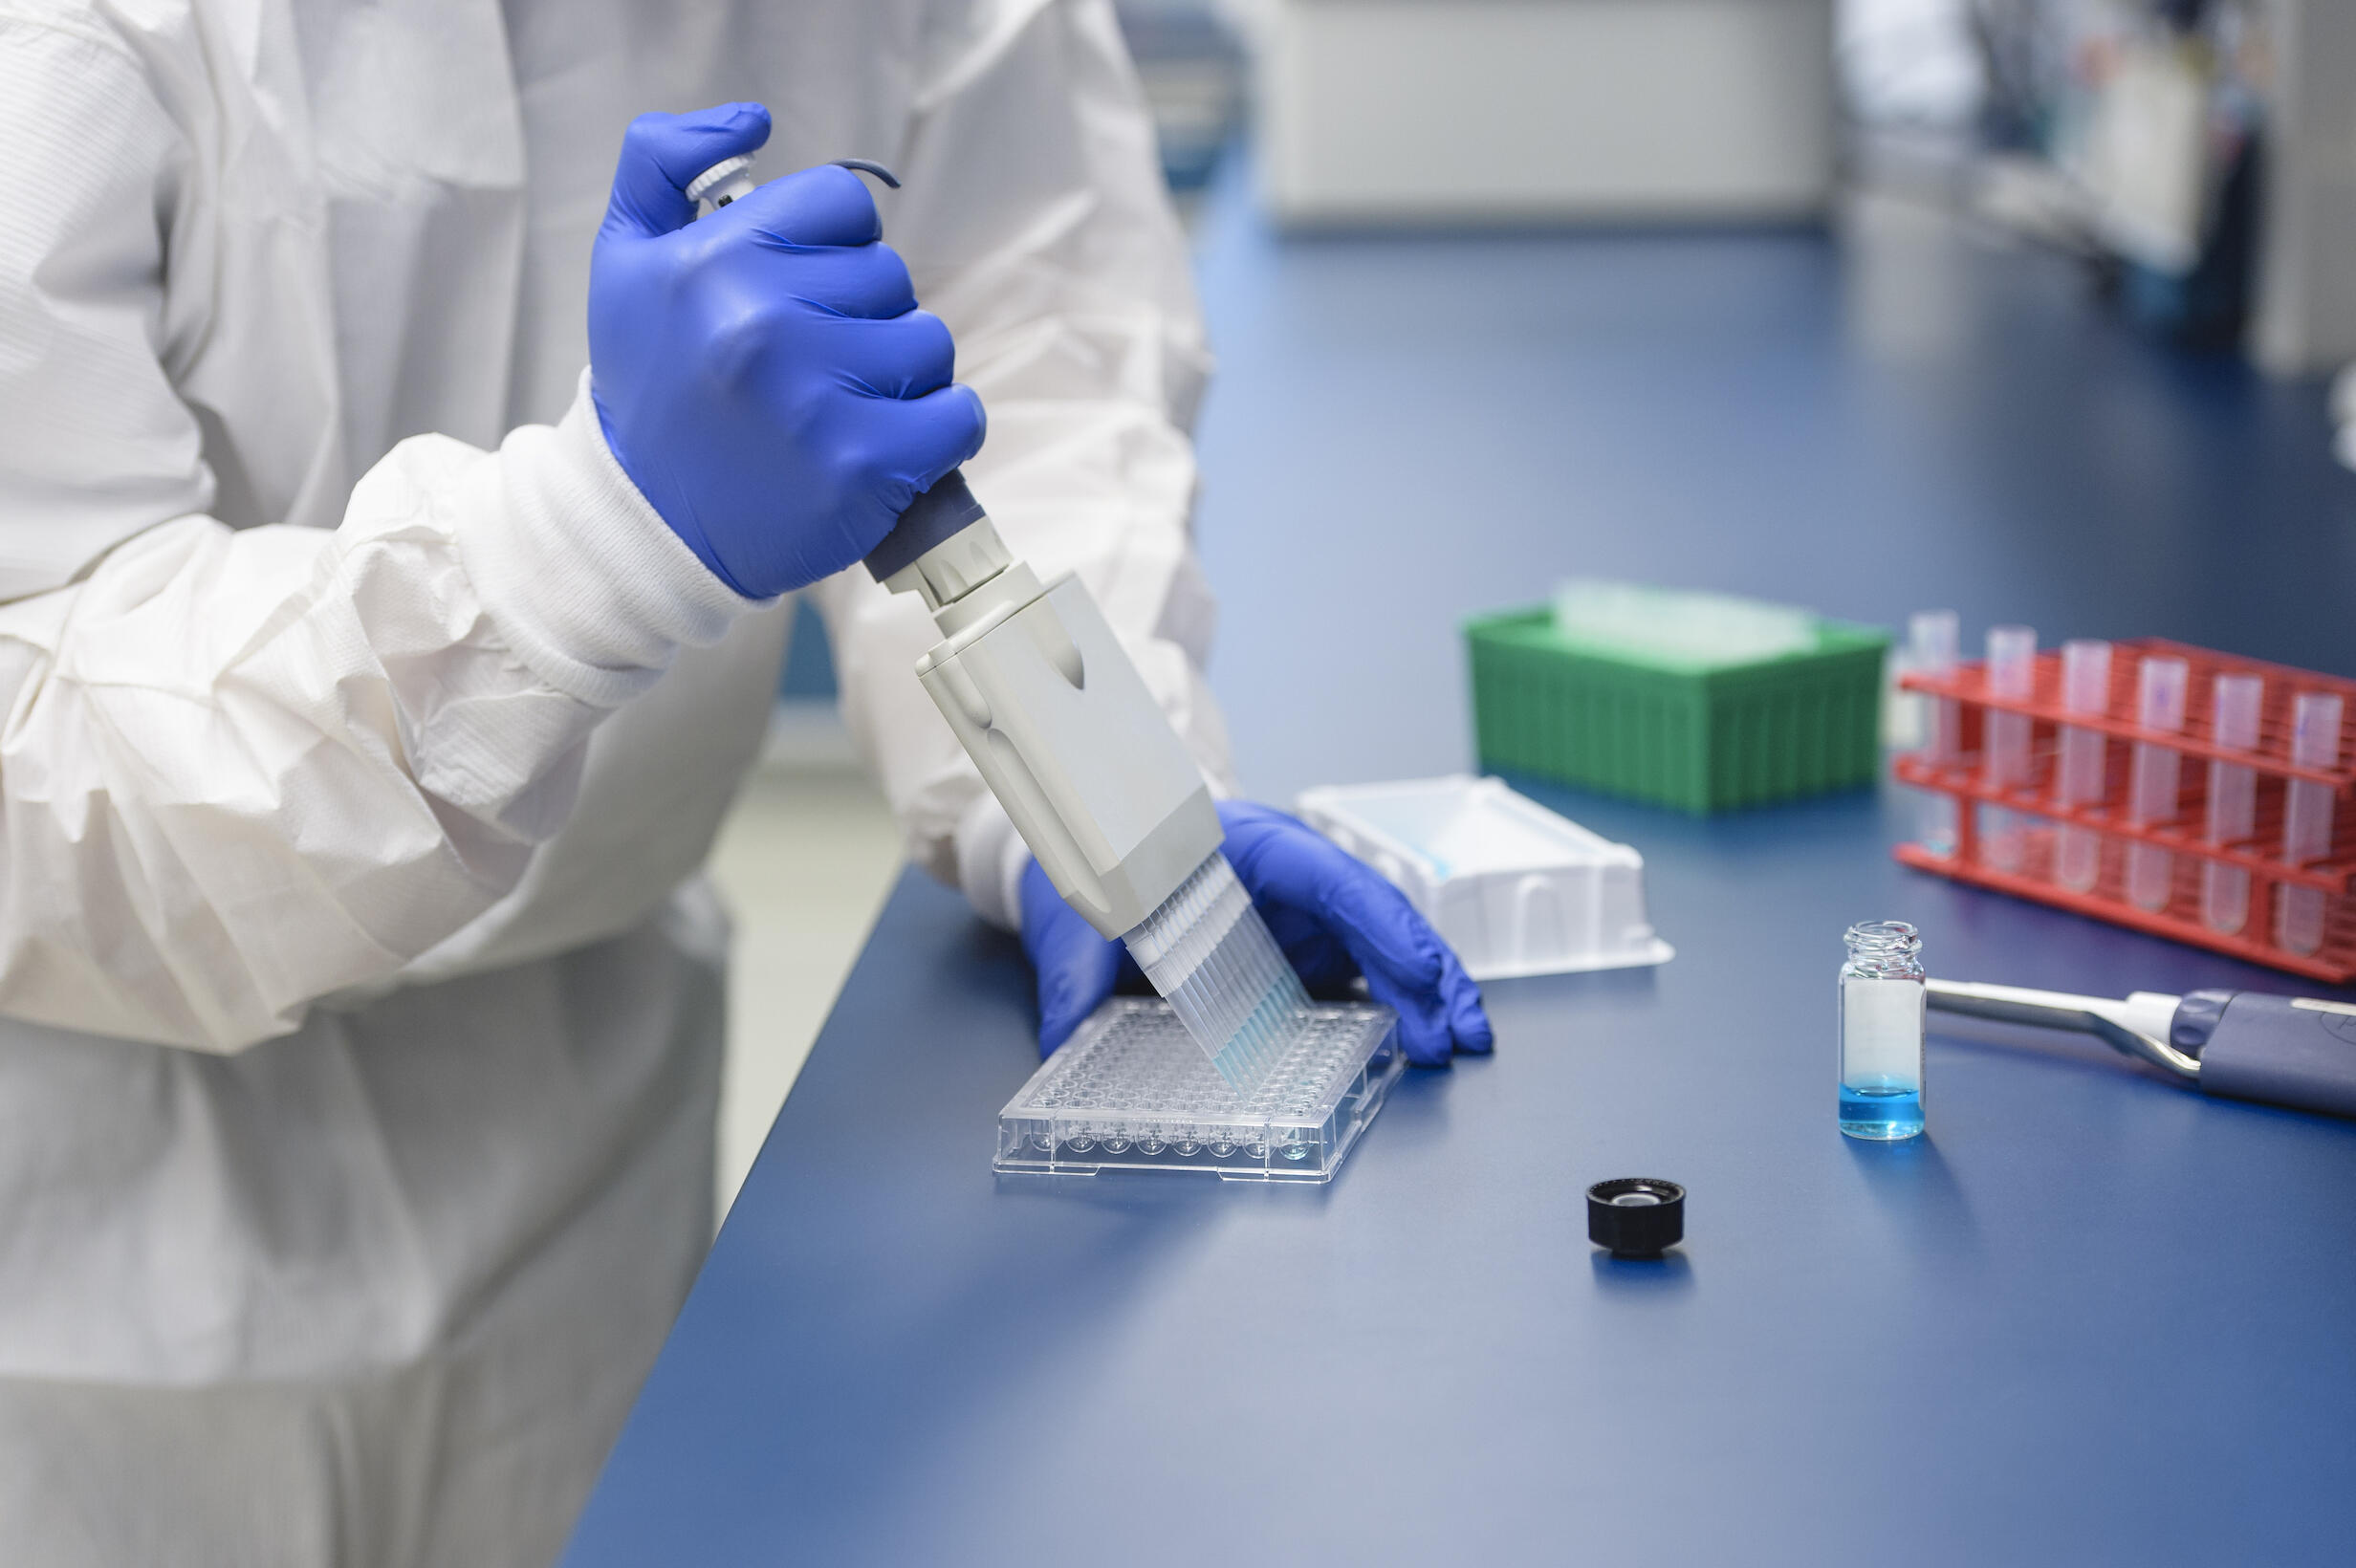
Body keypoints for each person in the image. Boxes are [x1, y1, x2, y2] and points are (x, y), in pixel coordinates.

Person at [0, 1, 1492, 1562]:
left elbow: (1027, 341)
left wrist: (1093, 807)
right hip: (83, 1252)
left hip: (581, 1132)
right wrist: (583, 551)